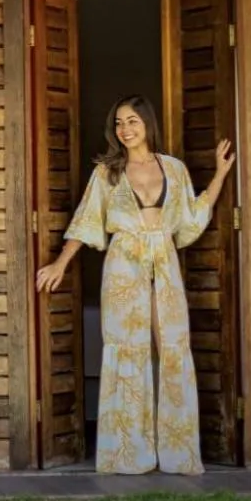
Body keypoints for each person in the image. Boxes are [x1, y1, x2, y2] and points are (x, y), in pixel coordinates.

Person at [35, 95, 235, 474]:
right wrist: (60, 262)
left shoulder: (173, 169)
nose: (124, 130)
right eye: (118, 124)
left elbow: (192, 217)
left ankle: (177, 453)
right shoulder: (107, 172)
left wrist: (220, 174)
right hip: (124, 267)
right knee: (128, 350)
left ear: (147, 124)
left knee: (171, 346)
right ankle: (127, 452)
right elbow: (86, 219)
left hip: (164, 262)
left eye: (131, 122)